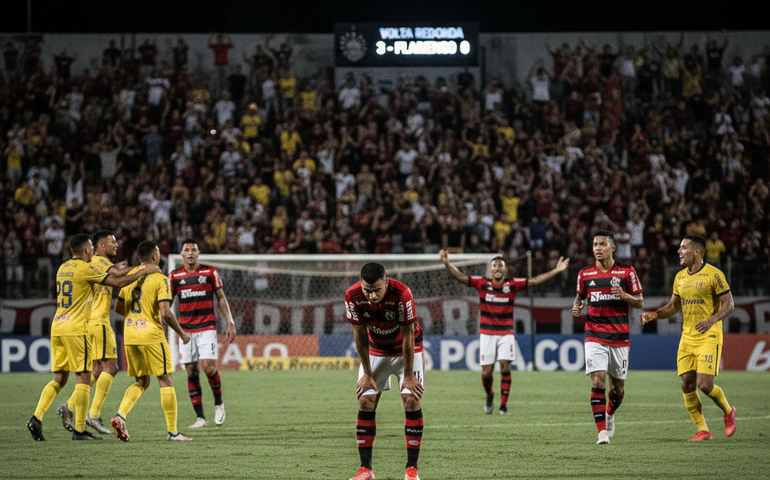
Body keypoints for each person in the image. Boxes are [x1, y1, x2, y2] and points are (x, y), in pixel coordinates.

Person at [26, 234, 159, 441]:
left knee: (59, 378)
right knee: (84, 377)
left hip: (58, 326)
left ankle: (36, 418)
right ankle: (80, 429)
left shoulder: (62, 268)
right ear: (88, 250)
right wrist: (144, 270)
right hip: (77, 328)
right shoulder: (86, 268)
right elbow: (118, 282)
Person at [440, 250, 569, 414]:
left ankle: (503, 406)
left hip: (506, 334)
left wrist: (557, 270)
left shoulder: (513, 284)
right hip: (487, 333)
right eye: (495, 266)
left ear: (506, 270)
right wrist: (447, 263)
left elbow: (535, 280)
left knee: (505, 368)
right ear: (490, 269)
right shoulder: (482, 283)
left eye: (501, 266)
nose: (497, 268)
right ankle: (490, 395)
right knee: (487, 373)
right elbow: (460, 277)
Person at [639, 234, 737, 442]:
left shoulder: (714, 274)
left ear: (697, 251)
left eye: (683, 248)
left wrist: (712, 320)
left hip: (709, 335)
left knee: (705, 385)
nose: (679, 251)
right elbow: (673, 306)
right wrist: (654, 314)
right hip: (687, 337)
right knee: (686, 384)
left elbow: (729, 304)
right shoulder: (680, 277)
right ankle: (703, 430)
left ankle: (728, 412)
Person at [56, 230, 142, 435]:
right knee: (111, 368)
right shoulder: (100, 262)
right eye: (112, 242)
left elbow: (116, 270)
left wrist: (121, 267)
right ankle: (93, 414)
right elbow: (118, 276)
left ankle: (69, 406)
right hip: (99, 322)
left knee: (95, 369)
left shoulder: (92, 263)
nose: (116, 244)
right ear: (100, 246)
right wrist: (143, 268)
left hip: (88, 322)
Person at [345, 262, 424, 480]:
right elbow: (360, 334)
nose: (371, 295)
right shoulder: (352, 296)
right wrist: (367, 374)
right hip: (376, 349)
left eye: (377, 290)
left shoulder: (402, 294)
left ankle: (411, 471)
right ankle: (366, 470)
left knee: (411, 399)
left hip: (406, 349)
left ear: (386, 283)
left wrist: (409, 375)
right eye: (367, 290)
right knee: (365, 400)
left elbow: (408, 335)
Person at [110, 240, 193, 441]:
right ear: (155, 257)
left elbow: (118, 309)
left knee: (142, 381)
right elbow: (166, 312)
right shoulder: (160, 279)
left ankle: (120, 416)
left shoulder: (129, 278)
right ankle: (173, 432)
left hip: (130, 335)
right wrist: (182, 333)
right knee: (165, 379)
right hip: (151, 335)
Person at [572, 230, 643, 444]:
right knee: (598, 379)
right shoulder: (585, 273)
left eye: (602, 244)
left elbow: (639, 301)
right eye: (595, 244)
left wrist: (624, 295)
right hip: (594, 334)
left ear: (613, 248)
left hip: (619, 337)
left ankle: (610, 413)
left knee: (617, 390)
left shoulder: (626, 271)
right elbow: (579, 297)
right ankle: (602, 432)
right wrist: (577, 307)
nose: (598, 248)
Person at [169, 238, 236, 428]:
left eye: (194, 250)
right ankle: (200, 418)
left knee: (208, 367)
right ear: (182, 254)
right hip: (185, 331)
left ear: (199, 253)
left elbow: (221, 297)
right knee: (191, 372)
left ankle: (218, 403)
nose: (190, 253)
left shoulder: (210, 272)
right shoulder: (174, 276)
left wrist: (230, 321)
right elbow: (167, 303)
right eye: (187, 250)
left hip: (207, 327)